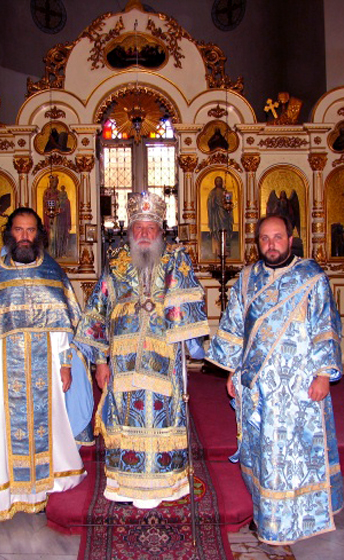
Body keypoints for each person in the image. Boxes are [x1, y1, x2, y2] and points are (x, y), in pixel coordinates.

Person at [206, 213, 343, 545]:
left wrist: (323, 375)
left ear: (291, 239)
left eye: (277, 237)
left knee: (296, 455)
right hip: (259, 387)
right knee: (263, 454)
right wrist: (232, 372)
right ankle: (266, 517)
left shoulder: (311, 277)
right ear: (258, 242)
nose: (271, 244)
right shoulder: (247, 279)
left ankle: (302, 519)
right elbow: (234, 328)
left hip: (299, 385)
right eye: (265, 238)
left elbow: (325, 328)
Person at [0, 207, 94, 521]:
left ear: (39, 234)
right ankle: (5, 496)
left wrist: (65, 365)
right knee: (2, 431)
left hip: (47, 369)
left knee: (50, 424)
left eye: (30, 230)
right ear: (10, 233)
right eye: (19, 230)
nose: (24, 237)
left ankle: (44, 491)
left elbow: (65, 327)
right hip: (3, 369)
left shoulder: (51, 271)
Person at [73, 191, 209, 508]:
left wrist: (192, 344)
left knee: (163, 418)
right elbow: (98, 311)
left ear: (161, 231)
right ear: (130, 231)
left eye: (151, 228)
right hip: (123, 362)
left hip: (165, 359)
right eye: (139, 227)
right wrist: (100, 361)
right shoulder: (116, 263)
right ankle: (124, 484)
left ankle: (166, 485)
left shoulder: (176, 259)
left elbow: (186, 306)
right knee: (124, 419)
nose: (145, 234)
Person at [207, 176, 234, 256]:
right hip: (216, 215)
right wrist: (212, 201)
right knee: (217, 229)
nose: (218, 182)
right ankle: (218, 248)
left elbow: (229, 204)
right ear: (215, 182)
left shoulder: (225, 192)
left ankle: (225, 247)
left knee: (225, 228)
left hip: (224, 214)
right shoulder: (212, 192)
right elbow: (210, 204)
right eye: (217, 181)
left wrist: (227, 205)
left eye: (220, 181)